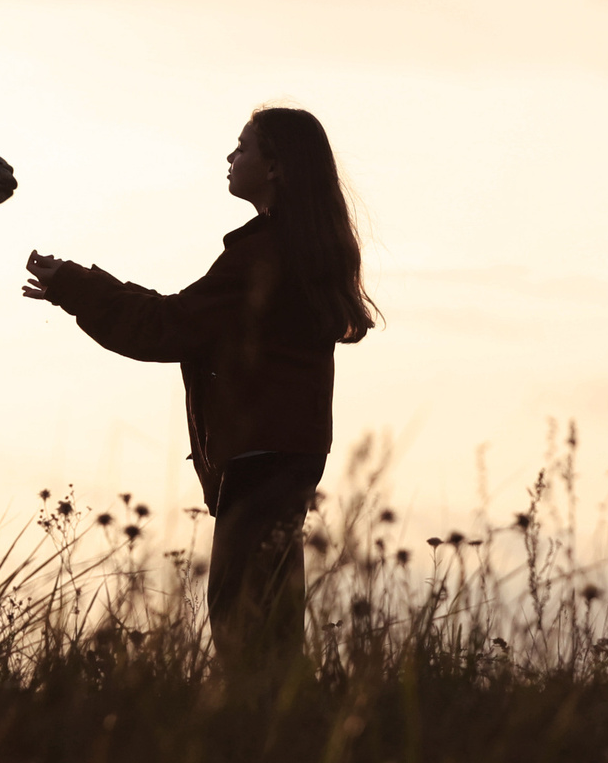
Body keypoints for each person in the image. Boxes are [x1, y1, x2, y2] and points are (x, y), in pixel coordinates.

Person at [23, 108, 377, 665]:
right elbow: (187, 317)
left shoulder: (263, 254)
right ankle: (292, 739)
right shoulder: (294, 250)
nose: (231, 158)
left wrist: (76, 286)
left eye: (243, 147)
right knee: (269, 629)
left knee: (246, 631)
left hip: (260, 458)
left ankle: (268, 743)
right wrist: (81, 285)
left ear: (276, 166)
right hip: (287, 453)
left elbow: (167, 329)